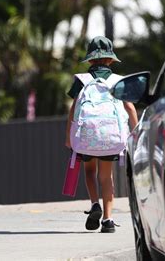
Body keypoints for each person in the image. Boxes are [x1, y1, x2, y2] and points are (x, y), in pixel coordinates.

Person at [66, 36, 138, 233]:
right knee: (106, 177)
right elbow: (130, 108)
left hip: (87, 136)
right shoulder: (117, 81)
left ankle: (94, 203)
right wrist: (137, 132)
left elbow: (73, 109)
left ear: (90, 60)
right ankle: (108, 219)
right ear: (110, 60)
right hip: (110, 137)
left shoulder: (82, 80)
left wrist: (68, 136)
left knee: (89, 171)